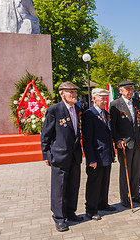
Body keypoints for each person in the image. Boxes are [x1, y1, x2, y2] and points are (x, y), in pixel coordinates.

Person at [41, 82, 83, 232]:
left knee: (73, 185)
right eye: (70, 92)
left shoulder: (77, 109)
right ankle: (59, 218)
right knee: (59, 188)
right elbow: (46, 134)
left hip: (74, 155)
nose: (74, 95)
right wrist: (46, 154)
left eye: (75, 92)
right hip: (60, 155)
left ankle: (70, 212)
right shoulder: (54, 110)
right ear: (62, 94)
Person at [109, 80, 140, 208]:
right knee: (125, 172)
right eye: (127, 89)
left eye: (132, 89)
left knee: (136, 170)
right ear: (121, 91)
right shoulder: (115, 105)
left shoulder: (136, 102)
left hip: (136, 142)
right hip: (124, 144)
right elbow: (112, 126)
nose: (130, 91)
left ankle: (135, 194)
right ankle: (124, 198)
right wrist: (118, 140)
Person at [82, 88, 116, 221]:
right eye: (101, 98)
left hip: (106, 154)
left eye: (105, 98)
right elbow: (87, 139)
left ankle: (103, 203)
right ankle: (91, 209)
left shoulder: (104, 113)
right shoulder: (88, 114)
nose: (104, 100)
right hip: (96, 156)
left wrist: (112, 154)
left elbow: (108, 135)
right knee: (94, 184)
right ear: (94, 98)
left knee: (105, 181)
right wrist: (91, 159)